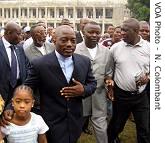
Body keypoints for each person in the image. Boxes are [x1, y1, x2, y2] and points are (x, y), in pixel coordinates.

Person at [106, 18, 150, 143]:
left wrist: (149, 77)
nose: (122, 33)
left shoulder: (150, 48)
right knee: (116, 126)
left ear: (136, 31)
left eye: (126, 31)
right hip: (121, 96)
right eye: (121, 30)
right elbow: (109, 70)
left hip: (141, 96)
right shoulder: (115, 48)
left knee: (144, 129)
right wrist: (109, 83)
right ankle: (112, 139)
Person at [75, 21, 111, 143]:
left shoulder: (106, 52)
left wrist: (109, 80)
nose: (94, 35)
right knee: (76, 126)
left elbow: (108, 72)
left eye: (97, 32)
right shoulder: (75, 50)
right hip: (80, 97)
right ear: (83, 33)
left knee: (101, 127)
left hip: (99, 96)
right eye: (91, 32)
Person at [0, 21, 29, 107]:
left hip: (18, 91)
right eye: (19, 34)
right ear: (9, 33)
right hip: (2, 93)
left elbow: (26, 68)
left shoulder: (20, 48)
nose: (21, 37)